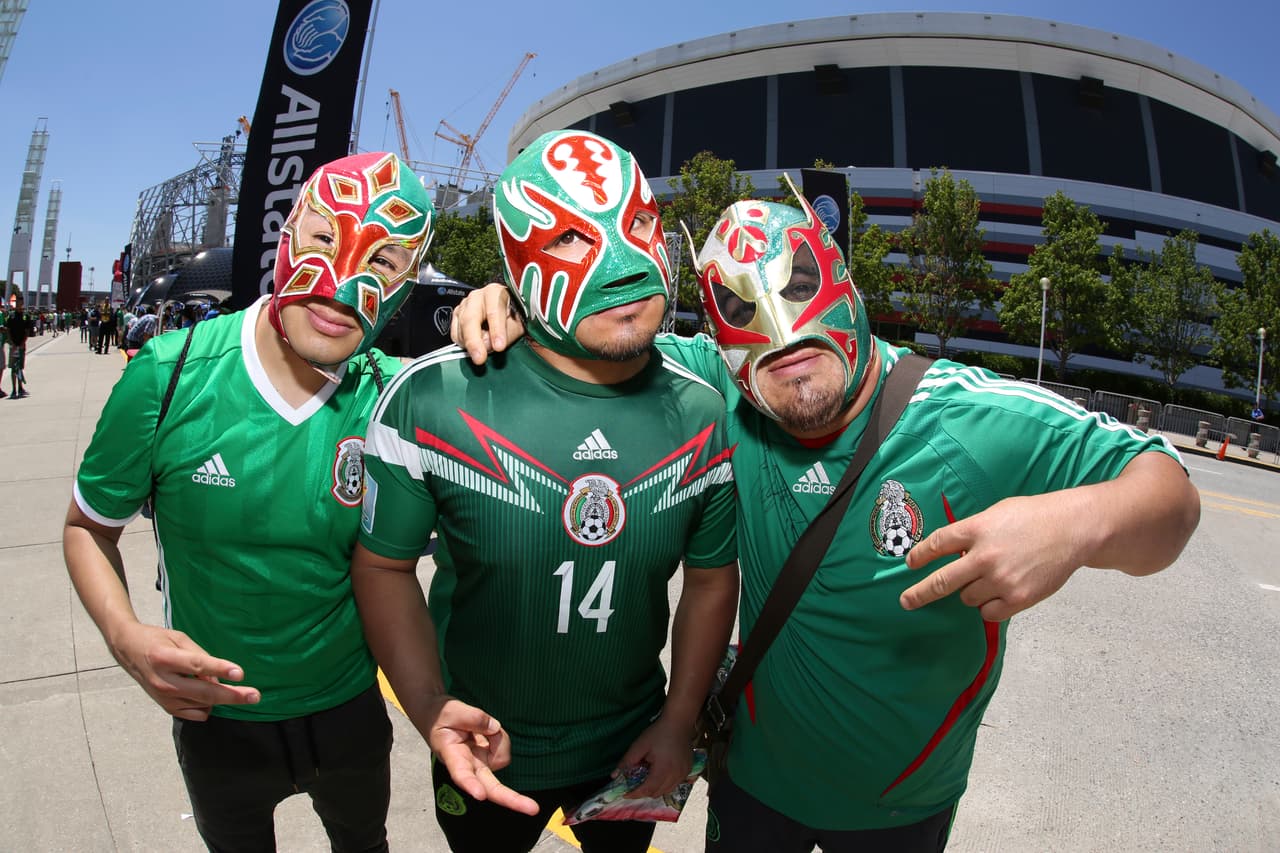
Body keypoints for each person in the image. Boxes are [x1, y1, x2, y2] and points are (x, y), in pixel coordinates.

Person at [453, 178, 1201, 852]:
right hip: (751, 785)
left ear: (845, 287)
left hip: (901, 806)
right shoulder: (716, 390)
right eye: (740, 312)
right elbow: (600, 333)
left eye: (800, 286)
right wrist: (512, 302)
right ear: (723, 346)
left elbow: (1169, 493)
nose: (783, 339)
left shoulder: (966, 418)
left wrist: (1074, 524)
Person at [351, 129, 739, 853]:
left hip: (632, 745)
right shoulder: (431, 399)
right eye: (568, 238)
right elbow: (382, 566)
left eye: (639, 224)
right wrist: (430, 706)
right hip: (484, 745)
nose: (622, 263)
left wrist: (679, 717)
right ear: (517, 266)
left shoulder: (705, 408)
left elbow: (713, 579)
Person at [63, 152, 437, 852]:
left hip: (350, 710)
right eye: (325, 238)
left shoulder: (400, 398)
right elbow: (89, 527)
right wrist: (125, 636)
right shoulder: (169, 375)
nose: (343, 281)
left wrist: (503, 317)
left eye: (383, 261)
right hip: (216, 718)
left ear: (407, 286)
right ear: (286, 236)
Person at [6, 300, 30, 398]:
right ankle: (14, 390)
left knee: (20, 367)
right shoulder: (11, 316)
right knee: (13, 368)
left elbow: (27, 331)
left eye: (21, 305)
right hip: (13, 346)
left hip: (21, 346)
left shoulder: (25, 316)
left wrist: (23, 343)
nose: (20, 307)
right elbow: (8, 330)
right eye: (18, 305)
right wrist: (11, 343)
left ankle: (20, 388)